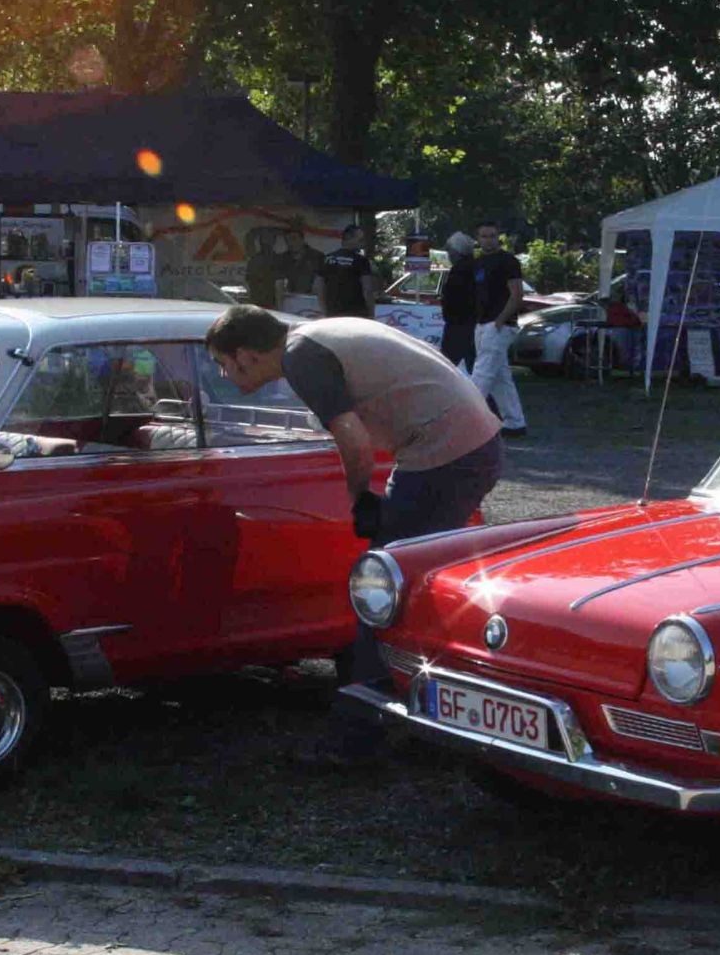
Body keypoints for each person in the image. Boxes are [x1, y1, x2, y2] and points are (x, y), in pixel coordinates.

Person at [204, 305, 502, 694]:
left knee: (384, 582)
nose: (224, 375)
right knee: (416, 573)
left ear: (245, 355)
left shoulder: (301, 358)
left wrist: (360, 498)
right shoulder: (316, 334)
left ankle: (372, 702)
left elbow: (353, 437)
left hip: (446, 454)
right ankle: (427, 683)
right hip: (469, 445)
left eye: (223, 363)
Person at [468, 221, 529, 438]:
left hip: (499, 324)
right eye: (484, 236)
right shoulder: (479, 263)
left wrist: (500, 321)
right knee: (500, 378)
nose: (488, 240)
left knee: (482, 373)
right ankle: (514, 422)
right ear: (478, 238)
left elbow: (517, 294)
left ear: (498, 237)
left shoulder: (508, 261)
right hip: (484, 323)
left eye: (492, 236)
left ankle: (463, 421)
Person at [315, 220, 379, 318]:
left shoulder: (327, 259)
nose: (363, 243)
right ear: (349, 239)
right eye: (360, 240)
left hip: (332, 313)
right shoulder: (361, 260)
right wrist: (371, 314)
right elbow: (368, 289)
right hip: (356, 314)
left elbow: (319, 287)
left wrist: (324, 311)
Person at [438, 229, 478, 371]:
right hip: (471, 323)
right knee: (474, 365)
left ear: (457, 252)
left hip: (459, 324)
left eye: (450, 251)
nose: (448, 254)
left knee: (446, 365)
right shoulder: (475, 267)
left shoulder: (460, 271)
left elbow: (455, 298)